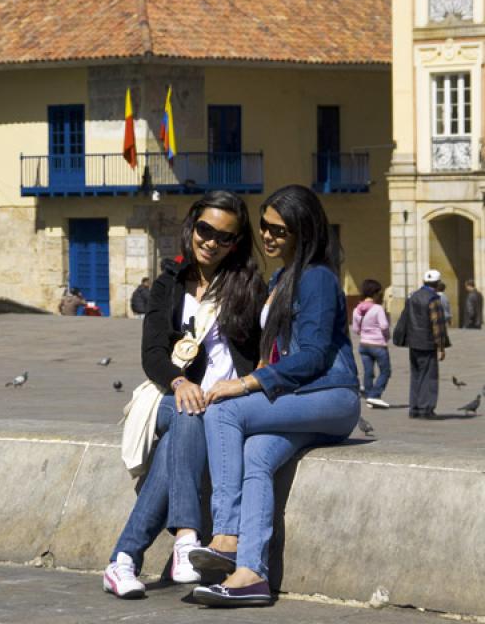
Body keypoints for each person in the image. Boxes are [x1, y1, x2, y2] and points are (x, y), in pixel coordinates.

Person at [189, 184, 360, 607]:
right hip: (302, 400)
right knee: (259, 453)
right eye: (264, 227)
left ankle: (226, 534)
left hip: (331, 394)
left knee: (224, 411)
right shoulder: (283, 276)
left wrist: (246, 383)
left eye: (279, 231)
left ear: (303, 232)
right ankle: (251, 575)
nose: (268, 236)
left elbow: (316, 355)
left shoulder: (317, 277)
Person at [103, 190, 266, 599]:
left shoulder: (247, 286)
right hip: (167, 395)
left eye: (223, 237)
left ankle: (123, 559)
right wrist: (180, 382)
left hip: (224, 402)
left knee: (182, 433)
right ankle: (187, 538)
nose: (210, 242)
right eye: (204, 230)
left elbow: (263, 349)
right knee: (185, 413)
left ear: (236, 243)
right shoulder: (169, 284)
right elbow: (153, 352)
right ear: (192, 227)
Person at [406, 269, 449, 420]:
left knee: (416, 375)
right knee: (429, 376)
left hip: (413, 342)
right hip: (427, 343)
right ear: (437, 284)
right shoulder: (433, 299)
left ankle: (414, 408)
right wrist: (441, 347)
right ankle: (426, 408)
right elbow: (437, 325)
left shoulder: (413, 296)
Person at [352, 279, 391, 409]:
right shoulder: (377, 309)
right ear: (375, 293)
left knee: (368, 372)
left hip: (364, 344)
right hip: (378, 345)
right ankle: (374, 395)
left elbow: (355, 329)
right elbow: (384, 326)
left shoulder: (357, 309)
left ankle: (369, 395)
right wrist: (386, 336)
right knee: (386, 371)